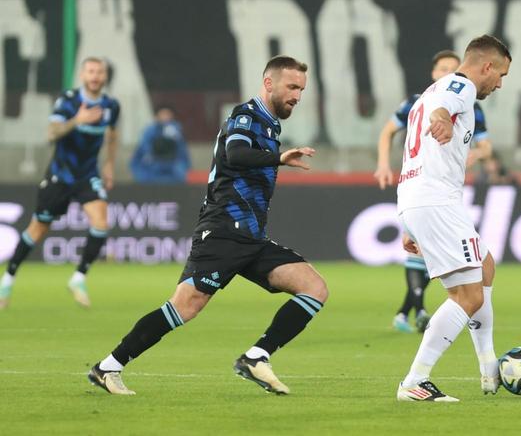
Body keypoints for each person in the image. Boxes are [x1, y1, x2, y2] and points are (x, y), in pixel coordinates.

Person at [87, 55, 328, 396]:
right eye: (291, 87)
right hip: (223, 232)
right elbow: (236, 154)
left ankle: (256, 357)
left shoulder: (271, 124)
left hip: (251, 237)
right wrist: (279, 157)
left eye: (301, 89)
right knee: (185, 307)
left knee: (314, 288)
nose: (297, 96)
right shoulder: (246, 115)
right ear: (269, 83)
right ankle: (108, 367)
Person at [395, 35, 511, 402]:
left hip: (422, 197)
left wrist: (411, 221)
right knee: (468, 294)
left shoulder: (431, 90)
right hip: (434, 200)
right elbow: (441, 110)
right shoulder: (459, 86)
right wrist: (443, 119)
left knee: (484, 265)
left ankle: (488, 362)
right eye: (501, 74)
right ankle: (415, 380)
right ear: (487, 66)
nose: (500, 84)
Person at [374, 50, 493, 333]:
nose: (447, 74)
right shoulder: (419, 102)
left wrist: (473, 155)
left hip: (434, 189)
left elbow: (486, 147)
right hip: (428, 187)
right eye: (442, 69)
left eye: (452, 69)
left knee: (457, 263)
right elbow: (388, 131)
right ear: (433, 72)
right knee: (459, 275)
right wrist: (382, 163)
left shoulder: (469, 102)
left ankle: (411, 311)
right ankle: (418, 313)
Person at [0, 57, 120, 309]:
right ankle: (8, 279)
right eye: (90, 71)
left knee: (101, 222)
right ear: (83, 75)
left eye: (99, 72)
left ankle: (78, 278)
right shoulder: (68, 101)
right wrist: (77, 120)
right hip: (60, 176)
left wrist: (109, 164)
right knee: (38, 230)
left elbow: (112, 134)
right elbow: (51, 133)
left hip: (88, 176)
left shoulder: (111, 106)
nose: (95, 76)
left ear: (105, 76)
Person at [130, 105, 191, 183]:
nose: (165, 117)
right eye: (163, 114)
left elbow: (183, 155)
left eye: (167, 114)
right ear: (156, 116)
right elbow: (140, 154)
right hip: (153, 165)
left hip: (172, 165)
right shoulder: (149, 131)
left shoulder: (176, 131)